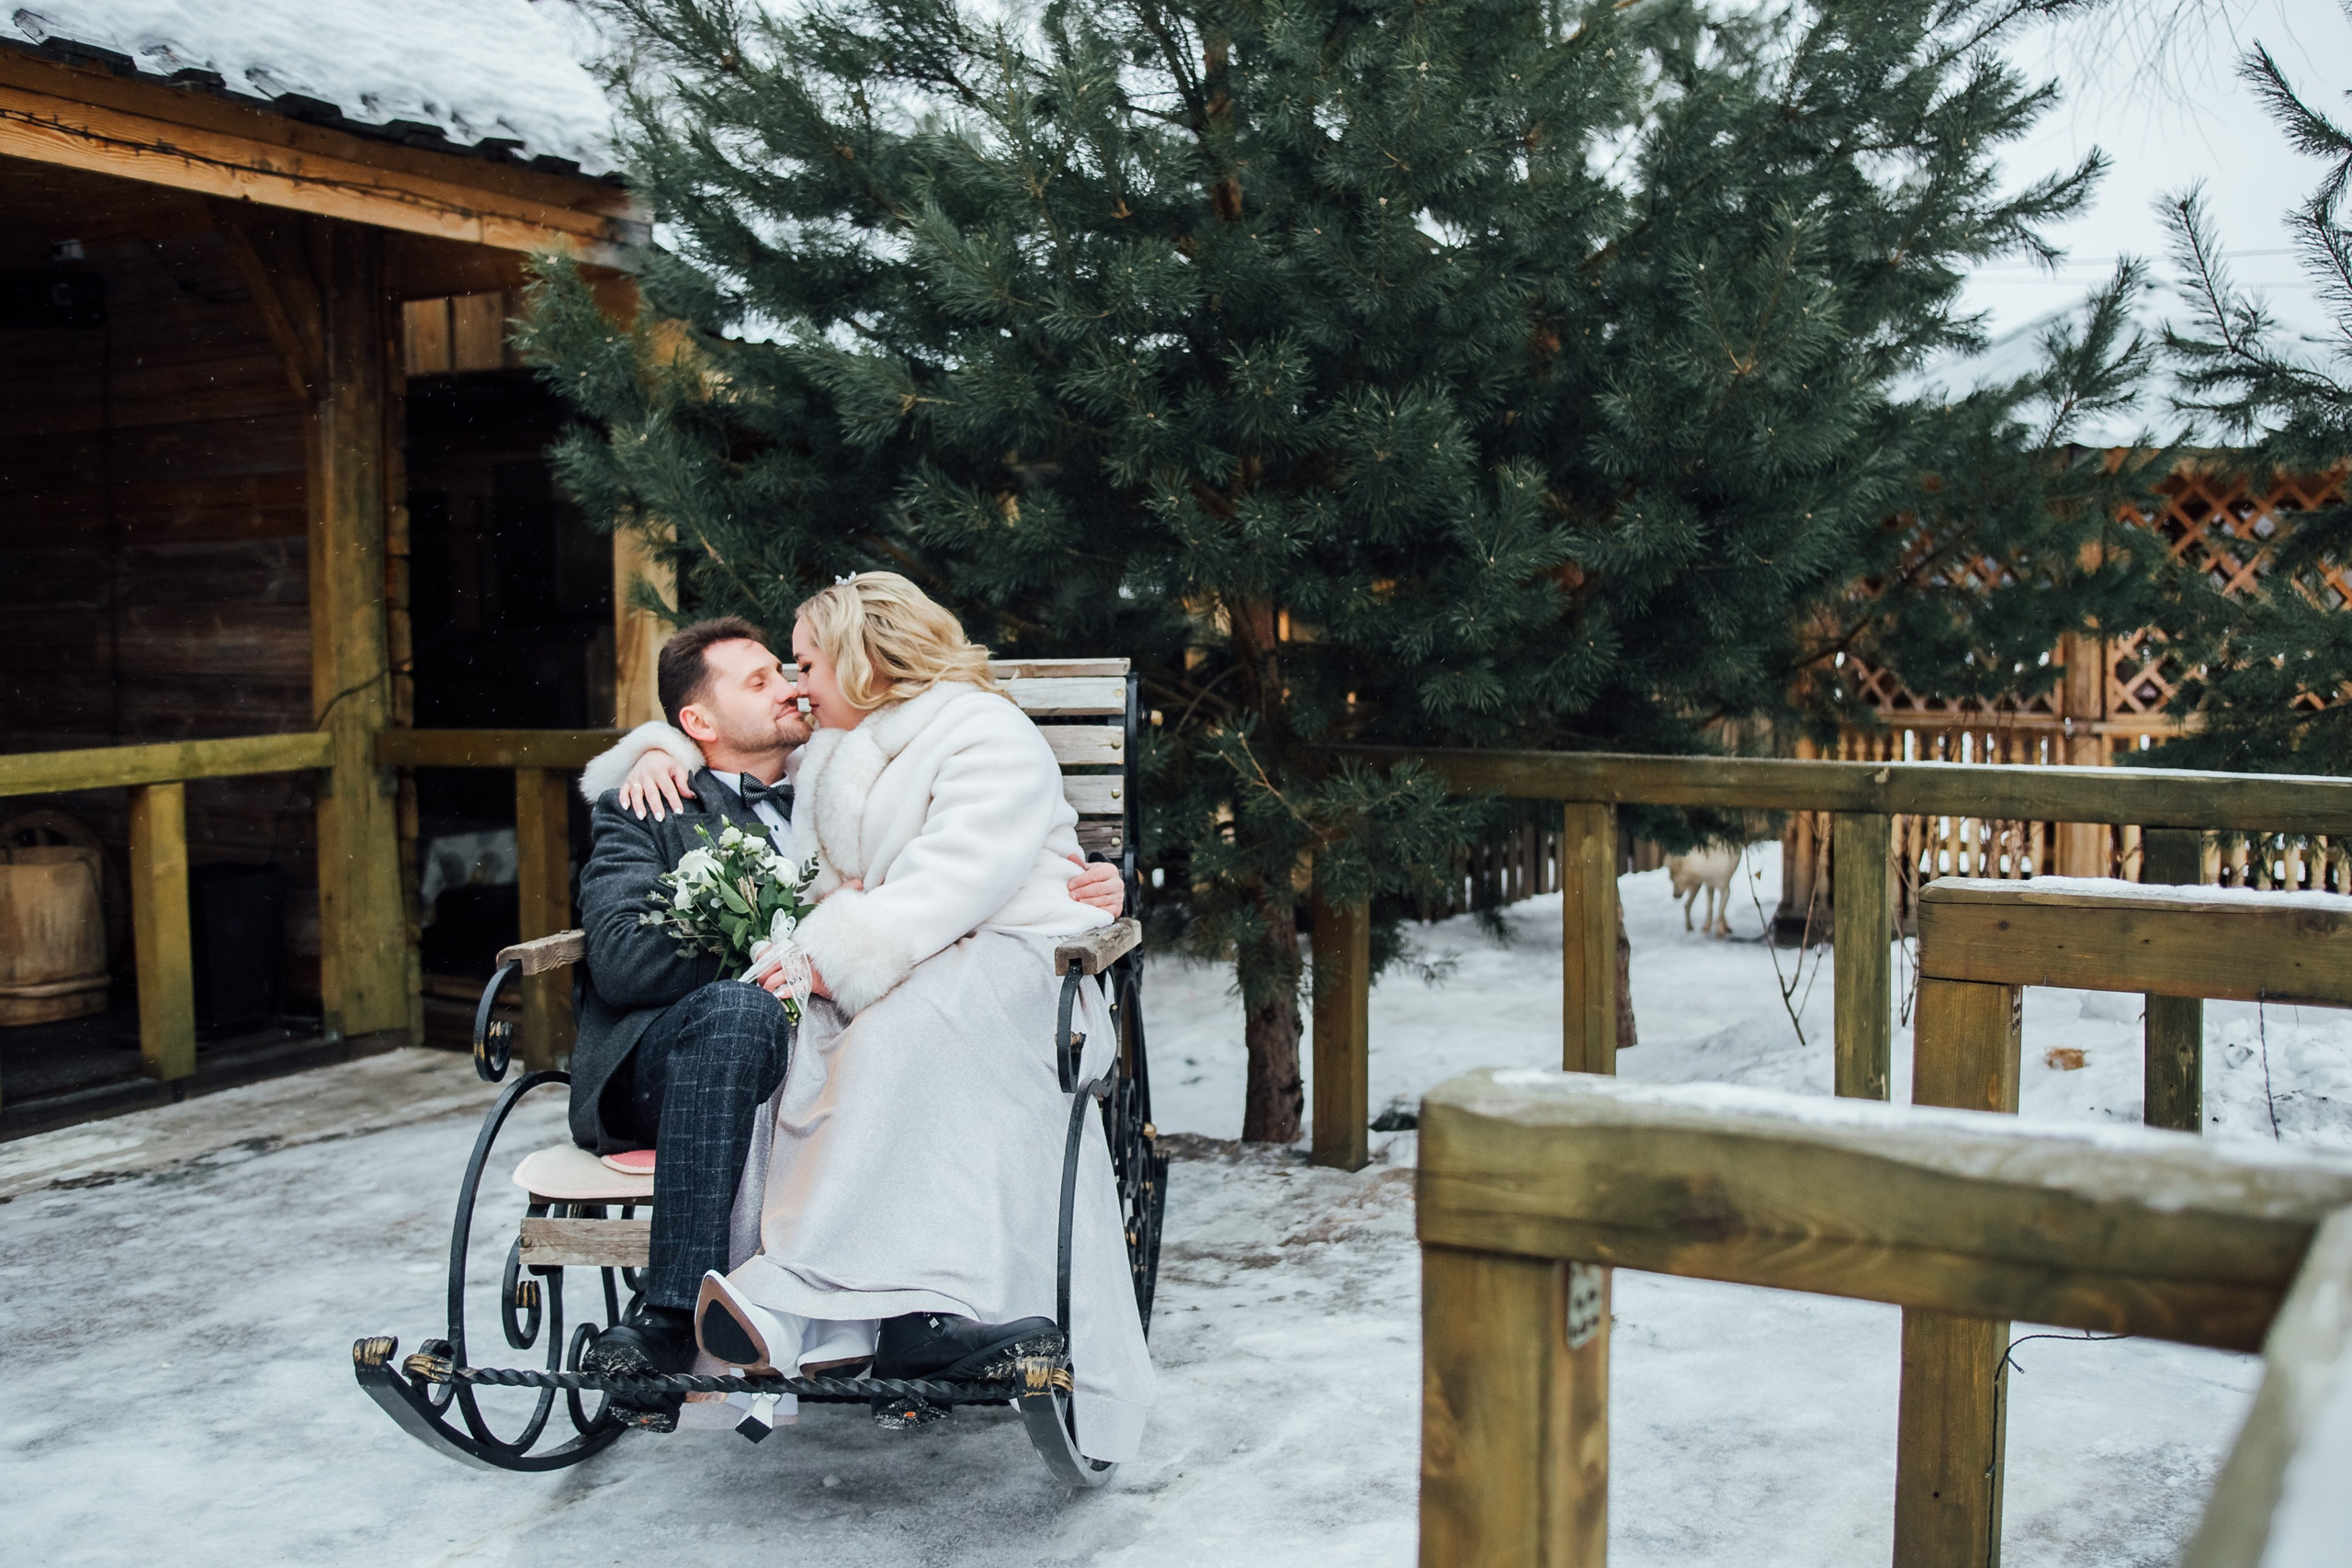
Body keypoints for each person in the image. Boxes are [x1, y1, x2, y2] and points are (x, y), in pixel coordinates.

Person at [610, 574, 1155, 1462]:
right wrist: (655, 749)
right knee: (810, 1049)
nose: (798, 681)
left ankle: (808, 1302)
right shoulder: (832, 751)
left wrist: (827, 951)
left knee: (902, 1034)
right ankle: (842, 1316)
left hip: (1006, 954)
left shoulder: (982, 731)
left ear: (862, 659)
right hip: (910, 957)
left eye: (810, 661)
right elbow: (810, 855)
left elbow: (951, 881)